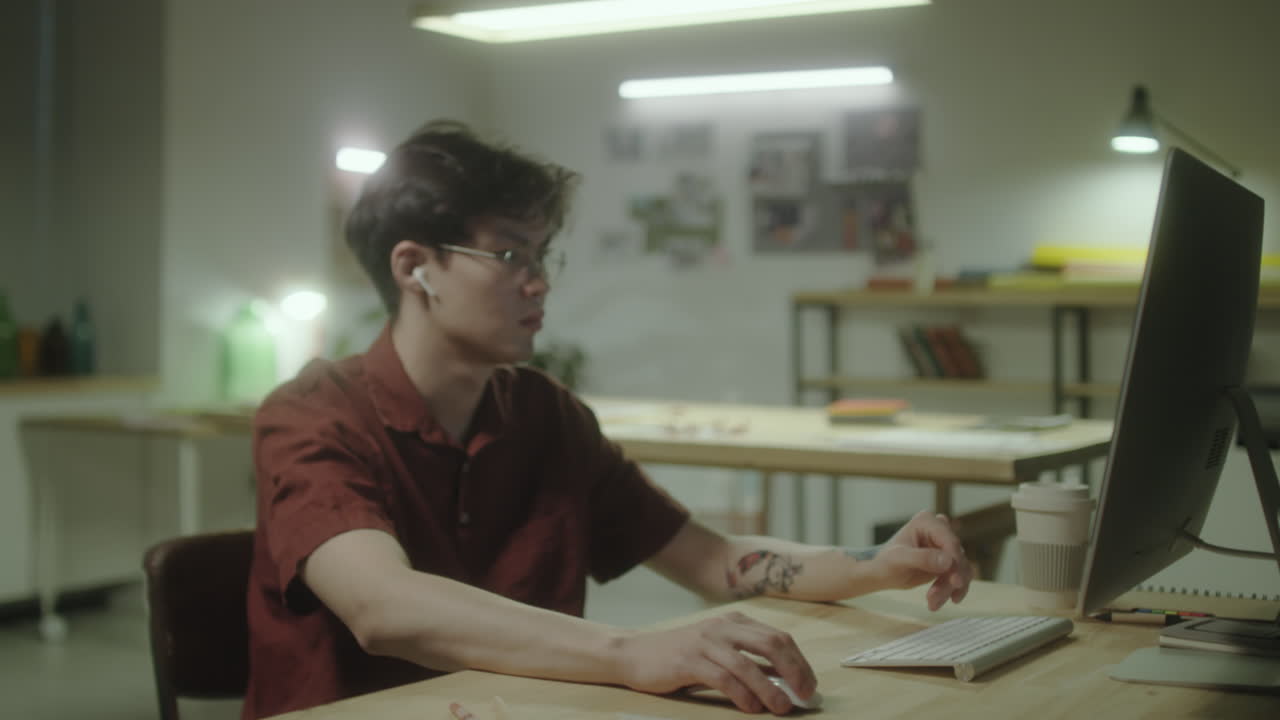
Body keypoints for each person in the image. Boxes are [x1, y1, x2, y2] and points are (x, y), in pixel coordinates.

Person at [243, 120, 973, 720]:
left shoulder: (545, 415)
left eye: (542, 253)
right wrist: (630, 651)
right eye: (507, 254)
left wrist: (873, 566)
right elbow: (383, 606)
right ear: (415, 268)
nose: (540, 280)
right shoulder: (312, 415)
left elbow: (711, 559)